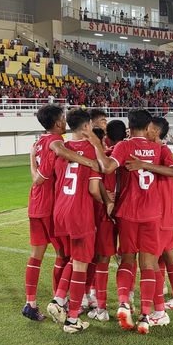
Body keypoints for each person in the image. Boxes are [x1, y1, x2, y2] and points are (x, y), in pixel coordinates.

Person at [89, 109, 173, 335]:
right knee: (148, 264)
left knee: (127, 259)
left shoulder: (124, 146)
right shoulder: (158, 148)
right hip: (152, 214)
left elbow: (107, 167)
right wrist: (147, 164)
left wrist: (97, 147)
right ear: (149, 127)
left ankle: (123, 302)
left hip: (127, 212)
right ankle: (146, 316)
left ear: (130, 125)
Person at [22, 105, 99, 321]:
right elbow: (53, 160)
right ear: (57, 123)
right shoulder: (54, 142)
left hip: (35, 205)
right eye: (63, 118)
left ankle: (31, 303)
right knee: (66, 257)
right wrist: (89, 161)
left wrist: (31, 159)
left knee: (35, 257)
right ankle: (60, 302)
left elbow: (35, 178)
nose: (65, 121)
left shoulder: (38, 143)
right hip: (50, 207)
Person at [44, 109, 103, 333]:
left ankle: (59, 300)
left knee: (73, 258)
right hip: (80, 213)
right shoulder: (92, 151)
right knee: (80, 264)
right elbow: (93, 189)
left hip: (60, 211)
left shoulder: (61, 148)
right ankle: (72, 319)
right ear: (87, 126)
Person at [87, 120, 126, 322]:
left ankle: (100, 307)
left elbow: (97, 187)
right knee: (126, 257)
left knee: (100, 258)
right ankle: (127, 300)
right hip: (126, 213)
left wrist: (107, 199)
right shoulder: (125, 154)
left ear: (107, 138)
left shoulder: (103, 159)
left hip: (105, 214)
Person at [149, 117, 173, 323]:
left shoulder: (162, 150)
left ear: (155, 131)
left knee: (154, 256)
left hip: (163, 209)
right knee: (165, 252)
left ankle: (160, 310)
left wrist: (145, 165)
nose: (146, 131)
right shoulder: (151, 150)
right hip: (164, 207)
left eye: (149, 128)